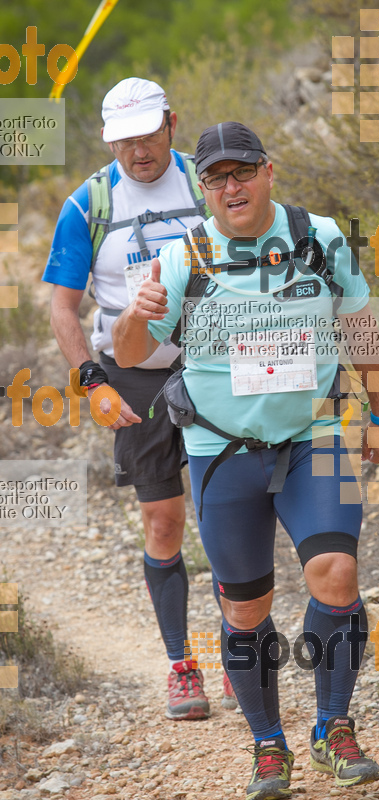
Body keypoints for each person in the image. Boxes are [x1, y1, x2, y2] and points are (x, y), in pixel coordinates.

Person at [113, 121, 379, 799]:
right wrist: (136, 313)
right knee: (246, 611)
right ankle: (268, 746)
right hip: (221, 453)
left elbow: (360, 327)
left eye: (241, 171)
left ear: (269, 171)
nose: (230, 186)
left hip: (313, 438)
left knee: (335, 573)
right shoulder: (183, 256)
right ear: (204, 189)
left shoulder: (320, 237)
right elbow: (128, 354)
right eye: (215, 178)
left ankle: (332, 727)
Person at [42, 78, 238, 721]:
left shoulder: (208, 184)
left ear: (172, 124)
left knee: (227, 513)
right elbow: (63, 308)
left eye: (148, 133)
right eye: (123, 139)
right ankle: (183, 666)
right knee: (164, 521)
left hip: (213, 365)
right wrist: (90, 384)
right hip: (132, 378)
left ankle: (240, 651)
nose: (137, 150)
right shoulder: (87, 205)